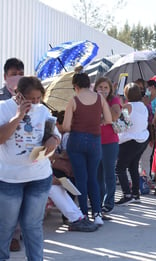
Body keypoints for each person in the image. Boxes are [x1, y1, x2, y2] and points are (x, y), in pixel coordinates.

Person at [0, 76, 61, 260]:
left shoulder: (43, 111)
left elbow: (55, 133)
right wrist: (18, 116)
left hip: (39, 177)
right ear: (18, 94)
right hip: (10, 179)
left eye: (38, 98)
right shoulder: (4, 108)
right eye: (30, 98)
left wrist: (54, 140)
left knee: (33, 225)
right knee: (6, 226)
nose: (35, 103)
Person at [63, 72, 112, 226]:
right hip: (94, 141)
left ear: (76, 86)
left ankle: (83, 214)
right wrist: (97, 122)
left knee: (80, 179)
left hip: (76, 140)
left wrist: (77, 125)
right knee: (93, 178)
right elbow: (109, 119)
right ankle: (97, 213)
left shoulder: (74, 100)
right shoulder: (100, 98)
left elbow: (65, 126)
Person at [49, 110, 98, 232]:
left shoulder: (67, 136)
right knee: (57, 187)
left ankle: (77, 217)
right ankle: (76, 217)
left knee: (58, 187)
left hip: (59, 170)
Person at [0, 57, 25, 252]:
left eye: (20, 74)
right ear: (5, 77)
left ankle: (14, 235)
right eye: (13, 74)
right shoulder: (0, 99)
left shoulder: (29, 98)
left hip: (21, 155)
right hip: (2, 154)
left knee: (17, 198)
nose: (16, 78)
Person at [114, 83, 150, 204]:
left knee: (120, 168)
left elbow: (121, 125)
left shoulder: (127, 106)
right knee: (133, 166)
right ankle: (135, 194)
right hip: (142, 139)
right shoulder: (143, 106)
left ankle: (127, 194)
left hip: (129, 140)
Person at [94, 77, 121, 214]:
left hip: (110, 141)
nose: (103, 90)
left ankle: (109, 202)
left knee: (109, 174)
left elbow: (115, 115)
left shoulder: (114, 100)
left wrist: (103, 102)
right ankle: (98, 202)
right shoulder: (91, 100)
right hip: (95, 141)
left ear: (110, 89)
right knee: (97, 174)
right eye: (100, 87)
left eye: (106, 88)